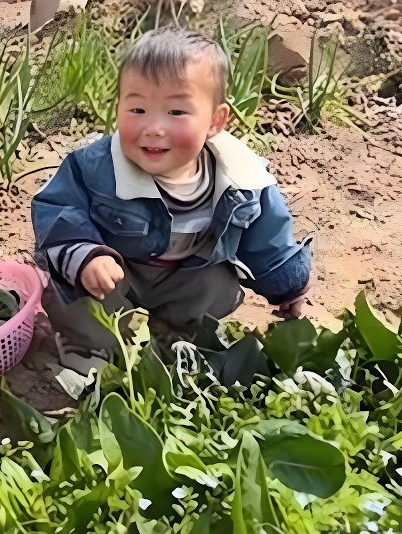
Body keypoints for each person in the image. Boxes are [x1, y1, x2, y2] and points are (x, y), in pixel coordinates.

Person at [32, 28, 312, 360]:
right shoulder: (94, 166)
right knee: (79, 298)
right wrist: (86, 256)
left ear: (215, 121)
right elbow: (59, 209)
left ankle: (177, 332)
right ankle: (94, 346)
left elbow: (268, 242)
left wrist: (289, 288)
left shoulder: (243, 179)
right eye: (137, 110)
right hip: (118, 271)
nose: (153, 127)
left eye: (176, 112)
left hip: (184, 275)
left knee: (217, 286)